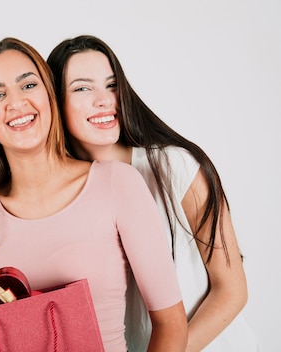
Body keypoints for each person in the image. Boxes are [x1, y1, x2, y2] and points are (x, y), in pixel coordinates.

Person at [0, 37, 187, 352]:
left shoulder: (117, 184)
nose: (16, 102)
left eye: (28, 85)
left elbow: (171, 324)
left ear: (51, 96)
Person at [46, 34, 259, 352]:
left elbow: (232, 289)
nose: (105, 99)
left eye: (112, 84)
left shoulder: (174, 165)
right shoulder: (60, 196)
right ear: (54, 103)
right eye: (82, 88)